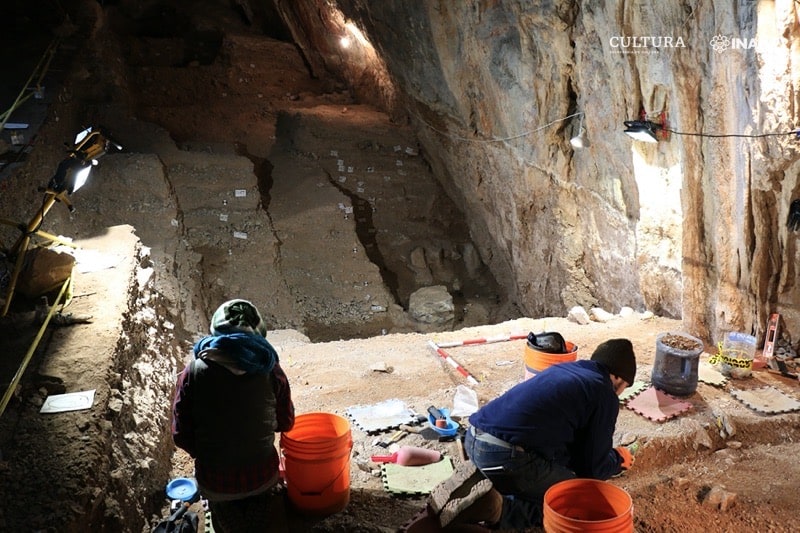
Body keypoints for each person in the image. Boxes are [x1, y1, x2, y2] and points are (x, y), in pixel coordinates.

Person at [404, 338, 636, 531]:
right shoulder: (603, 392)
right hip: (503, 455)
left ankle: (483, 482)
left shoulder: (567, 371)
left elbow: (566, 443)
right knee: (570, 497)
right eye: (625, 385)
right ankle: (496, 508)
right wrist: (616, 460)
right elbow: (592, 468)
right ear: (618, 377)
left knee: (550, 469)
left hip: (474, 438)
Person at [171, 299, 295, 532]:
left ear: (217, 332)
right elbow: (286, 422)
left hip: (215, 482)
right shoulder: (271, 369)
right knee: (262, 517)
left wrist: (209, 452)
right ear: (259, 334)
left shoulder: (193, 372)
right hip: (263, 477)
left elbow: (180, 434)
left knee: (226, 522)